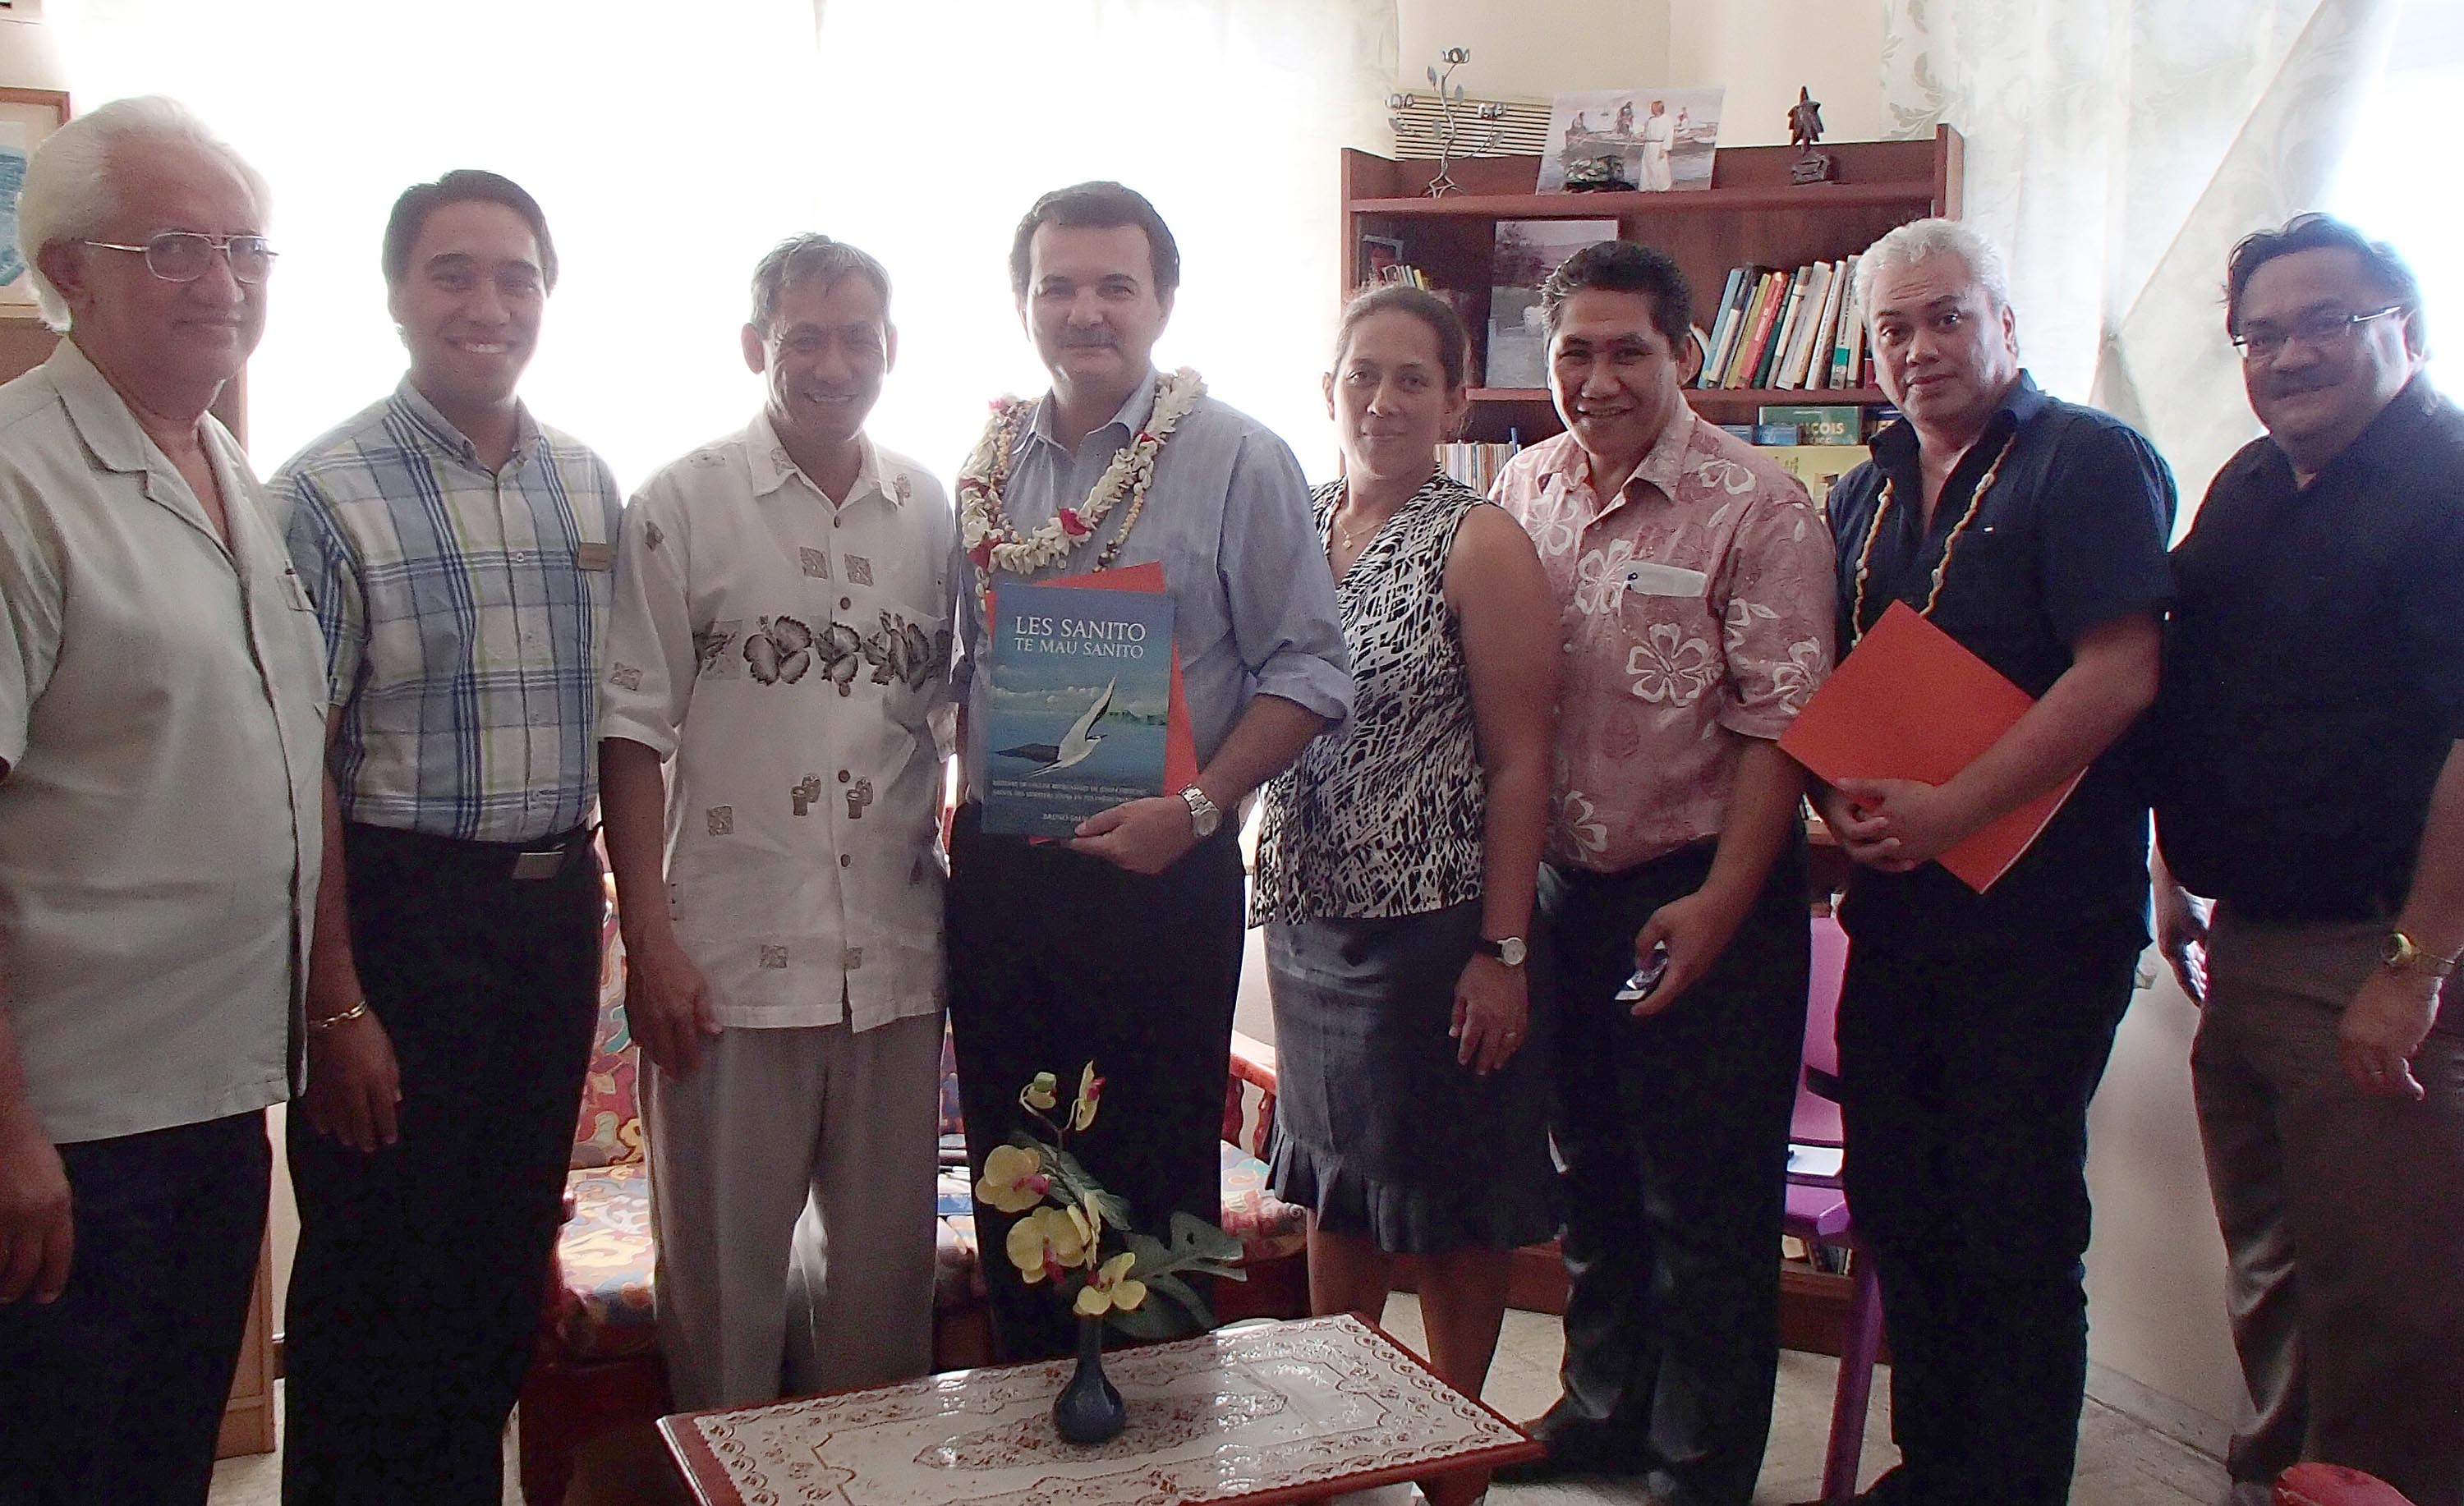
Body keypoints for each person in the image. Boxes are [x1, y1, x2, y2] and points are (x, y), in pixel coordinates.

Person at [946, 181, 1350, 1361]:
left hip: (1165, 865)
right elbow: (961, 666)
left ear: (1162, 300)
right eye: (1058, 286)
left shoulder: (1238, 457)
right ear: (1024, 303)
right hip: (1007, 873)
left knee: (1152, 1171)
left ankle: (1159, 1431)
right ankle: (1036, 1406)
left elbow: (1311, 668)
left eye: (1115, 285)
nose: (1086, 311)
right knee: (1018, 1168)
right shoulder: (986, 468)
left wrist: (1201, 806)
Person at [1810, 218, 2175, 1506]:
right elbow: (1843, 684)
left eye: (1947, 316)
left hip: (2044, 923)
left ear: (2006, 324)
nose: (1919, 347)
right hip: (1901, 914)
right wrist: (1840, 806)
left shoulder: (2089, 459)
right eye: (1893, 327)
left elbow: (2121, 671)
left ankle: (2010, 1486)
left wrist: (1953, 807)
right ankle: (1936, 1467)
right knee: (1902, 1199)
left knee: (2011, 1218)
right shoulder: (1860, 492)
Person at [0, 95, 327, 1506]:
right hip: (71, 1120)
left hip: (214, 1089)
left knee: (161, 1456)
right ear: (69, 270)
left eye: (245, 247)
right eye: (176, 247)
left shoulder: (221, 464)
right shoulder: (21, 477)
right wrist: (8, 1131)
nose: (225, 282)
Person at [278, 169, 623, 1502]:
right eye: (452, 272)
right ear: (396, 294)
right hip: (400, 917)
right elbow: (298, 767)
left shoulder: (585, 484)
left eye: (515, 275)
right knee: (376, 1284)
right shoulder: (324, 493)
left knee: (494, 1276)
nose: (488, 302)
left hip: (550, 918)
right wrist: (335, 1004)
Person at [1489, 240, 1837, 1505]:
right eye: (1574, 351)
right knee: (1591, 1177)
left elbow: (1781, 724)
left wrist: (1723, 902)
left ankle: (1700, 1462)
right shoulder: (1520, 489)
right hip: (1564, 895)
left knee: (1706, 1201)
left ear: (1683, 352)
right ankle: (1604, 1410)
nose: (1598, 378)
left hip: (1702, 892)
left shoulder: (1760, 504)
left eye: (1627, 349)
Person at [599, 234, 953, 1409]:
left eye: (858, 338)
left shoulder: (933, 513)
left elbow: (963, 713)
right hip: (729, 965)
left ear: (891, 348)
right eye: (805, 338)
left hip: (895, 960)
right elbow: (630, 732)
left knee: (882, 1302)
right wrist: (649, 941)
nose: (832, 364)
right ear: (758, 345)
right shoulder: (681, 505)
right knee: (724, 1297)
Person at [2154, 214, 2464, 1506]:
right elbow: (2193, 682)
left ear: (2407, 328)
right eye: (2260, 334)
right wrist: (2172, 866)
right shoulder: (2252, 483)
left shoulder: (2447, 482)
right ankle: (2273, 1482)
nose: (2287, 355)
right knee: (2274, 1263)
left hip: (2375, 948)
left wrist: (2415, 964)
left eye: (2325, 323)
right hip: (2250, 940)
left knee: (2387, 1297)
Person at [1248, 285, 1558, 1506]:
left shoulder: (1478, 541)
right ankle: (1347, 1436)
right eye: (1361, 376)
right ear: (1327, 389)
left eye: (1412, 379)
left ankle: (1451, 1462)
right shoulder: (1296, 523)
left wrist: (1504, 949)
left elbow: (1522, 761)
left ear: (1456, 400)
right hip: (1309, 920)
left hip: (1436, 929)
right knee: (1335, 1182)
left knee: (1449, 1199)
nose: (1382, 400)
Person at [1639, 101, 1675, 191]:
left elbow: (1669, 135)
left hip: (1659, 146)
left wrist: (1665, 149)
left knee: (1659, 167)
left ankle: (1661, 186)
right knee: (1647, 166)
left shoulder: (1667, 120)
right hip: (1649, 146)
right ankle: (1647, 186)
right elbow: (1646, 132)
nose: (1651, 109)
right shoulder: (1651, 120)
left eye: (1653, 107)